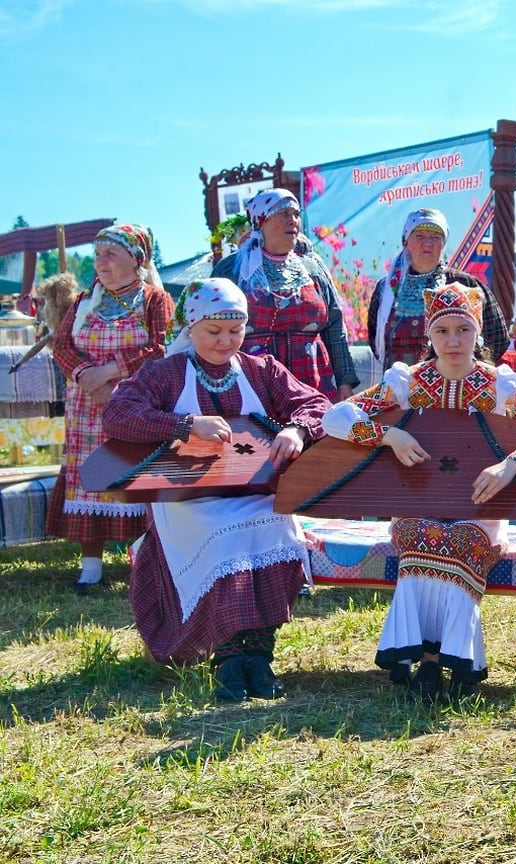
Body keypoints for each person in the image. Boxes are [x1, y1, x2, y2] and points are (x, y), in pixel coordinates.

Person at [321, 282, 516, 700]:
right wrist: (387, 437)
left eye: (463, 330)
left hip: (480, 508)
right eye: (442, 331)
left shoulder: (498, 386)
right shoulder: (407, 383)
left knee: (460, 540)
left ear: (478, 334)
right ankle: (431, 662)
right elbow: (337, 418)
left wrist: (512, 464)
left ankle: (451, 661)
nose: (453, 341)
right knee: (420, 536)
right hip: (418, 505)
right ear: (429, 336)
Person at [102, 278, 331, 701]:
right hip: (188, 500)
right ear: (190, 327)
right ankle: (228, 659)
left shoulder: (261, 371)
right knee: (224, 542)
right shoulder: (166, 373)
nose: (226, 341)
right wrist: (186, 425)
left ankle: (259, 656)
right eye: (214, 331)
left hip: (254, 495)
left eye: (235, 330)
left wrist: (298, 429)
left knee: (274, 527)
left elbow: (317, 405)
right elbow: (118, 413)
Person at [47, 224, 174, 594]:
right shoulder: (85, 300)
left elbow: (162, 346)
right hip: (87, 407)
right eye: (98, 254)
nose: (100, 262)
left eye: (110, 255)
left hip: (136, 406)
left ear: (136, 260)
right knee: (91, 478)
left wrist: (112, 372)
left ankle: (143, 563)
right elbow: (62, 347)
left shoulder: (154, 300)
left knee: (135, 479)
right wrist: (87, 374)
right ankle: (90, 569)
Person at [212, 188, 358, 400]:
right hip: (253, 385)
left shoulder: (312, 269)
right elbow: (210, 327)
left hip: (314, 383)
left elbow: (334, 328)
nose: (293, 220)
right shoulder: (233, 270)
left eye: (296, 214)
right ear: (260, 221)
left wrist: (345, 381)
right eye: (283, 213)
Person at [366, 207, 508, 370]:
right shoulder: (386, 289)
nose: (427, 243)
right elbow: (375, 339)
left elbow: (498, 337)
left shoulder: (464, 284)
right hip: (396, 386)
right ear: (405, 242)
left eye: (435, 237)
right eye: (419, 236)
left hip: (451, 386)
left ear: (443, 244)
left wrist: (465, 369)